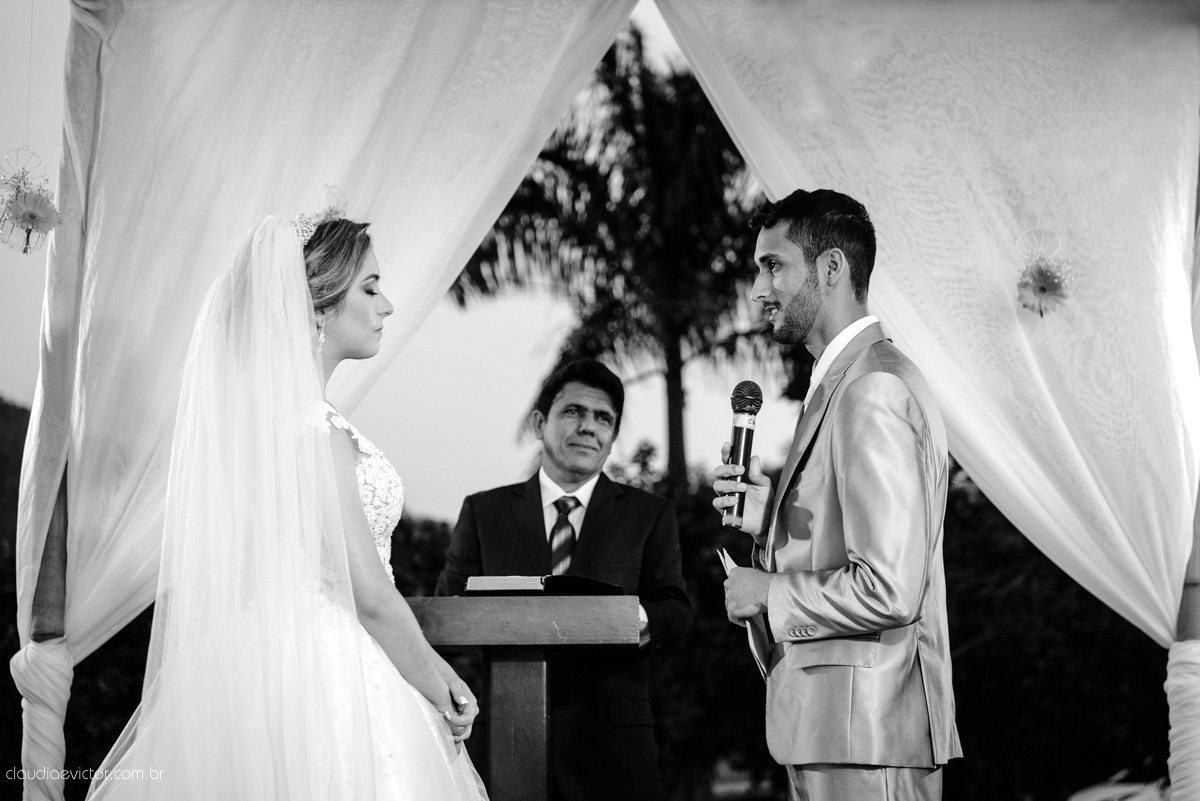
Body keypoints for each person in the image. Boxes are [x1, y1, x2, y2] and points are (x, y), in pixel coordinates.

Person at [88, 215, 487, 800]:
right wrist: (439, 682)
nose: (387, 305)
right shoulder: (314, 432)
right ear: (319, 306)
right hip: (329, 667)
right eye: (370, 288)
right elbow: (368, 595)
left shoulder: (271, 424)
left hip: (262, 658)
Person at [712, 189, 961, 801]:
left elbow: (889, 588)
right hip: (840, 731)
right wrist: (772, 523)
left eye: (773, 266)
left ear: (830, 268)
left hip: (869, 736)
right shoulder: (849, 380)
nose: (758, 290)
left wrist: (767, 592)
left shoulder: (872, 389)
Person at [436, 359, 692, 801]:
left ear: (612, 437)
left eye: (604, 418)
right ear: (540, 423)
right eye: (574, 411)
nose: (589, 427)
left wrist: (623, 620)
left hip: (614, 755)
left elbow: (676, 613)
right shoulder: (484, 513)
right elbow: (446, 621)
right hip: (506, 744)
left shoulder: (649, 515)